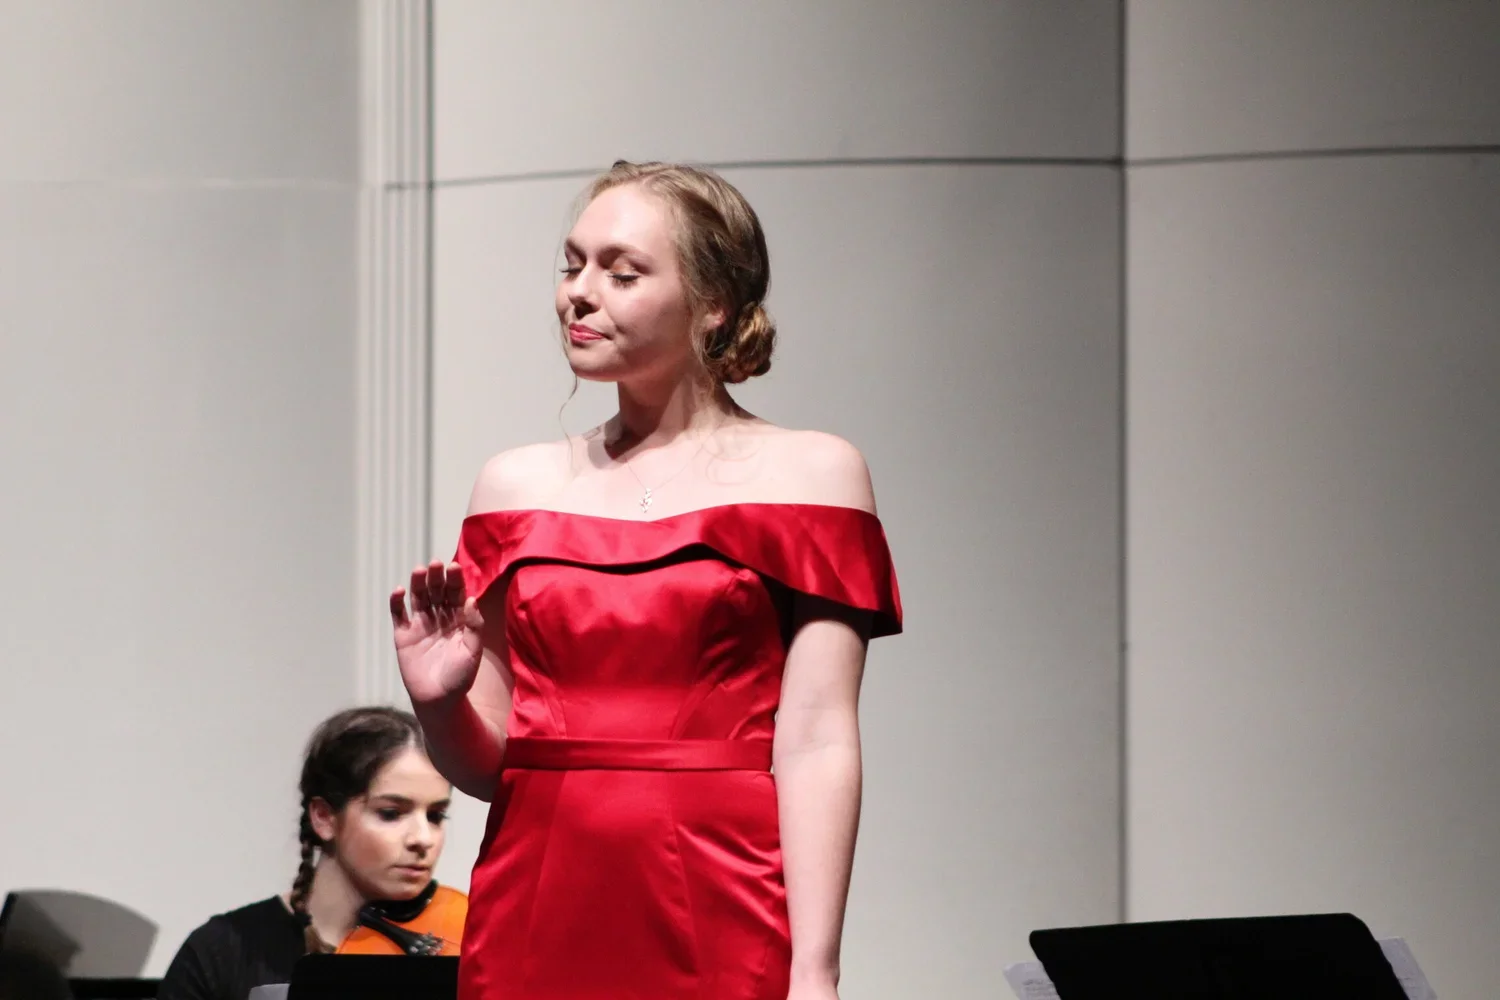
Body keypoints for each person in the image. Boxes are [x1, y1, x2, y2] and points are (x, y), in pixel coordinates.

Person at [391, 160, 903, 1000]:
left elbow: (816, 741)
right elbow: (490, 769)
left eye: (622, 273)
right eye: (571, 264)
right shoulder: (514, 484)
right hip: (536, 900)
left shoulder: (814, 473)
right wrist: (437, 700)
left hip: (726, 897)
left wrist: (815, 971)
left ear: (714, 306)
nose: (579, 294)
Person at [156, 706, 465, 1000]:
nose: (423, 838)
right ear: (324, 817)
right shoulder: (221, 952)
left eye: (436, 816)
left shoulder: (467, 935)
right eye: (390, 813)